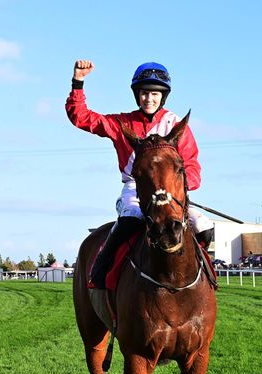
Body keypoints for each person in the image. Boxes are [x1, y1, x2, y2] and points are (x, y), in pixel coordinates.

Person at [66, 59, 214, 289]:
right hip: (136, 189)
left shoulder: (174, 124)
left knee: (204, 226)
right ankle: (100, 271)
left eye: (154, 94)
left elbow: (191, 164)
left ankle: (205, 280)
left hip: (171, 191)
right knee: (128, 222)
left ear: (162, 96)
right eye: (144, 93)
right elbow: (81, 117)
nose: (149, 99)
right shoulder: (122, 123)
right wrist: (78, 82)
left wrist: (181, 186)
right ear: (137, 95)